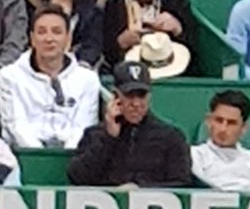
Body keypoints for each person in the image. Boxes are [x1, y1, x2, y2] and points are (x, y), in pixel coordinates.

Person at [67, 59, 192, 188]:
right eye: (130, 95)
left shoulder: (171, 137)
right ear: (116, 96)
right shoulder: (95, 134)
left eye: (141, 95)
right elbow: (78, 177)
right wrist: (109, 138)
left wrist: (141, 189)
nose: (136, 104)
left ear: (149, 96)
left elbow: (181, 183)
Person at [0, 6, 102, 150]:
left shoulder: (88, 79)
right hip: (28, 157)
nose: (49, 39)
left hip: (73, 157)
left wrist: (63, 156)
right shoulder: (9, 76)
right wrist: (43, 156)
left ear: (68, 38)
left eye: (57, 32)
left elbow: (84, 127)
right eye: (41, 32)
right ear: (32, 38)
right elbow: (16, 128)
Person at [191, 88, 250, 194]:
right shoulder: (193, 156)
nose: (223, 129)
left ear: (244, 127)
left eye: (231, 123)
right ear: (209, 121)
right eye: (219, 120)